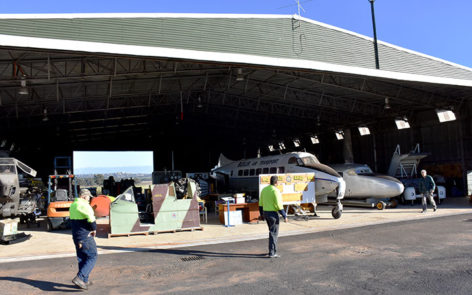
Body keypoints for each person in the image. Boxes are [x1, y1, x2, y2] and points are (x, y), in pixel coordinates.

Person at [69, 189, 97, 290]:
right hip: (85, 236)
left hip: (76, 236)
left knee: (82, 258)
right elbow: (91, 218)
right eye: (89, 197)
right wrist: (94, 229)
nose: (89, 199)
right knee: (92, 256)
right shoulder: (85, 205)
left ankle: (84, 281)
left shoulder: (73, 205)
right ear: (84, 196)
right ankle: (80, 278)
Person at [259, 175, 288, 258]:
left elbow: (260, 204)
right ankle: (272, 253)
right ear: (276, 182)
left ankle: (271, 250)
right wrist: (284, 215)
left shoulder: (264, 190)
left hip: (266, 213)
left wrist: (261, 214)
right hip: (273, 214)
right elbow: (279, 205)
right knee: (274, 233)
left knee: (271, 232)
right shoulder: (276, 191)